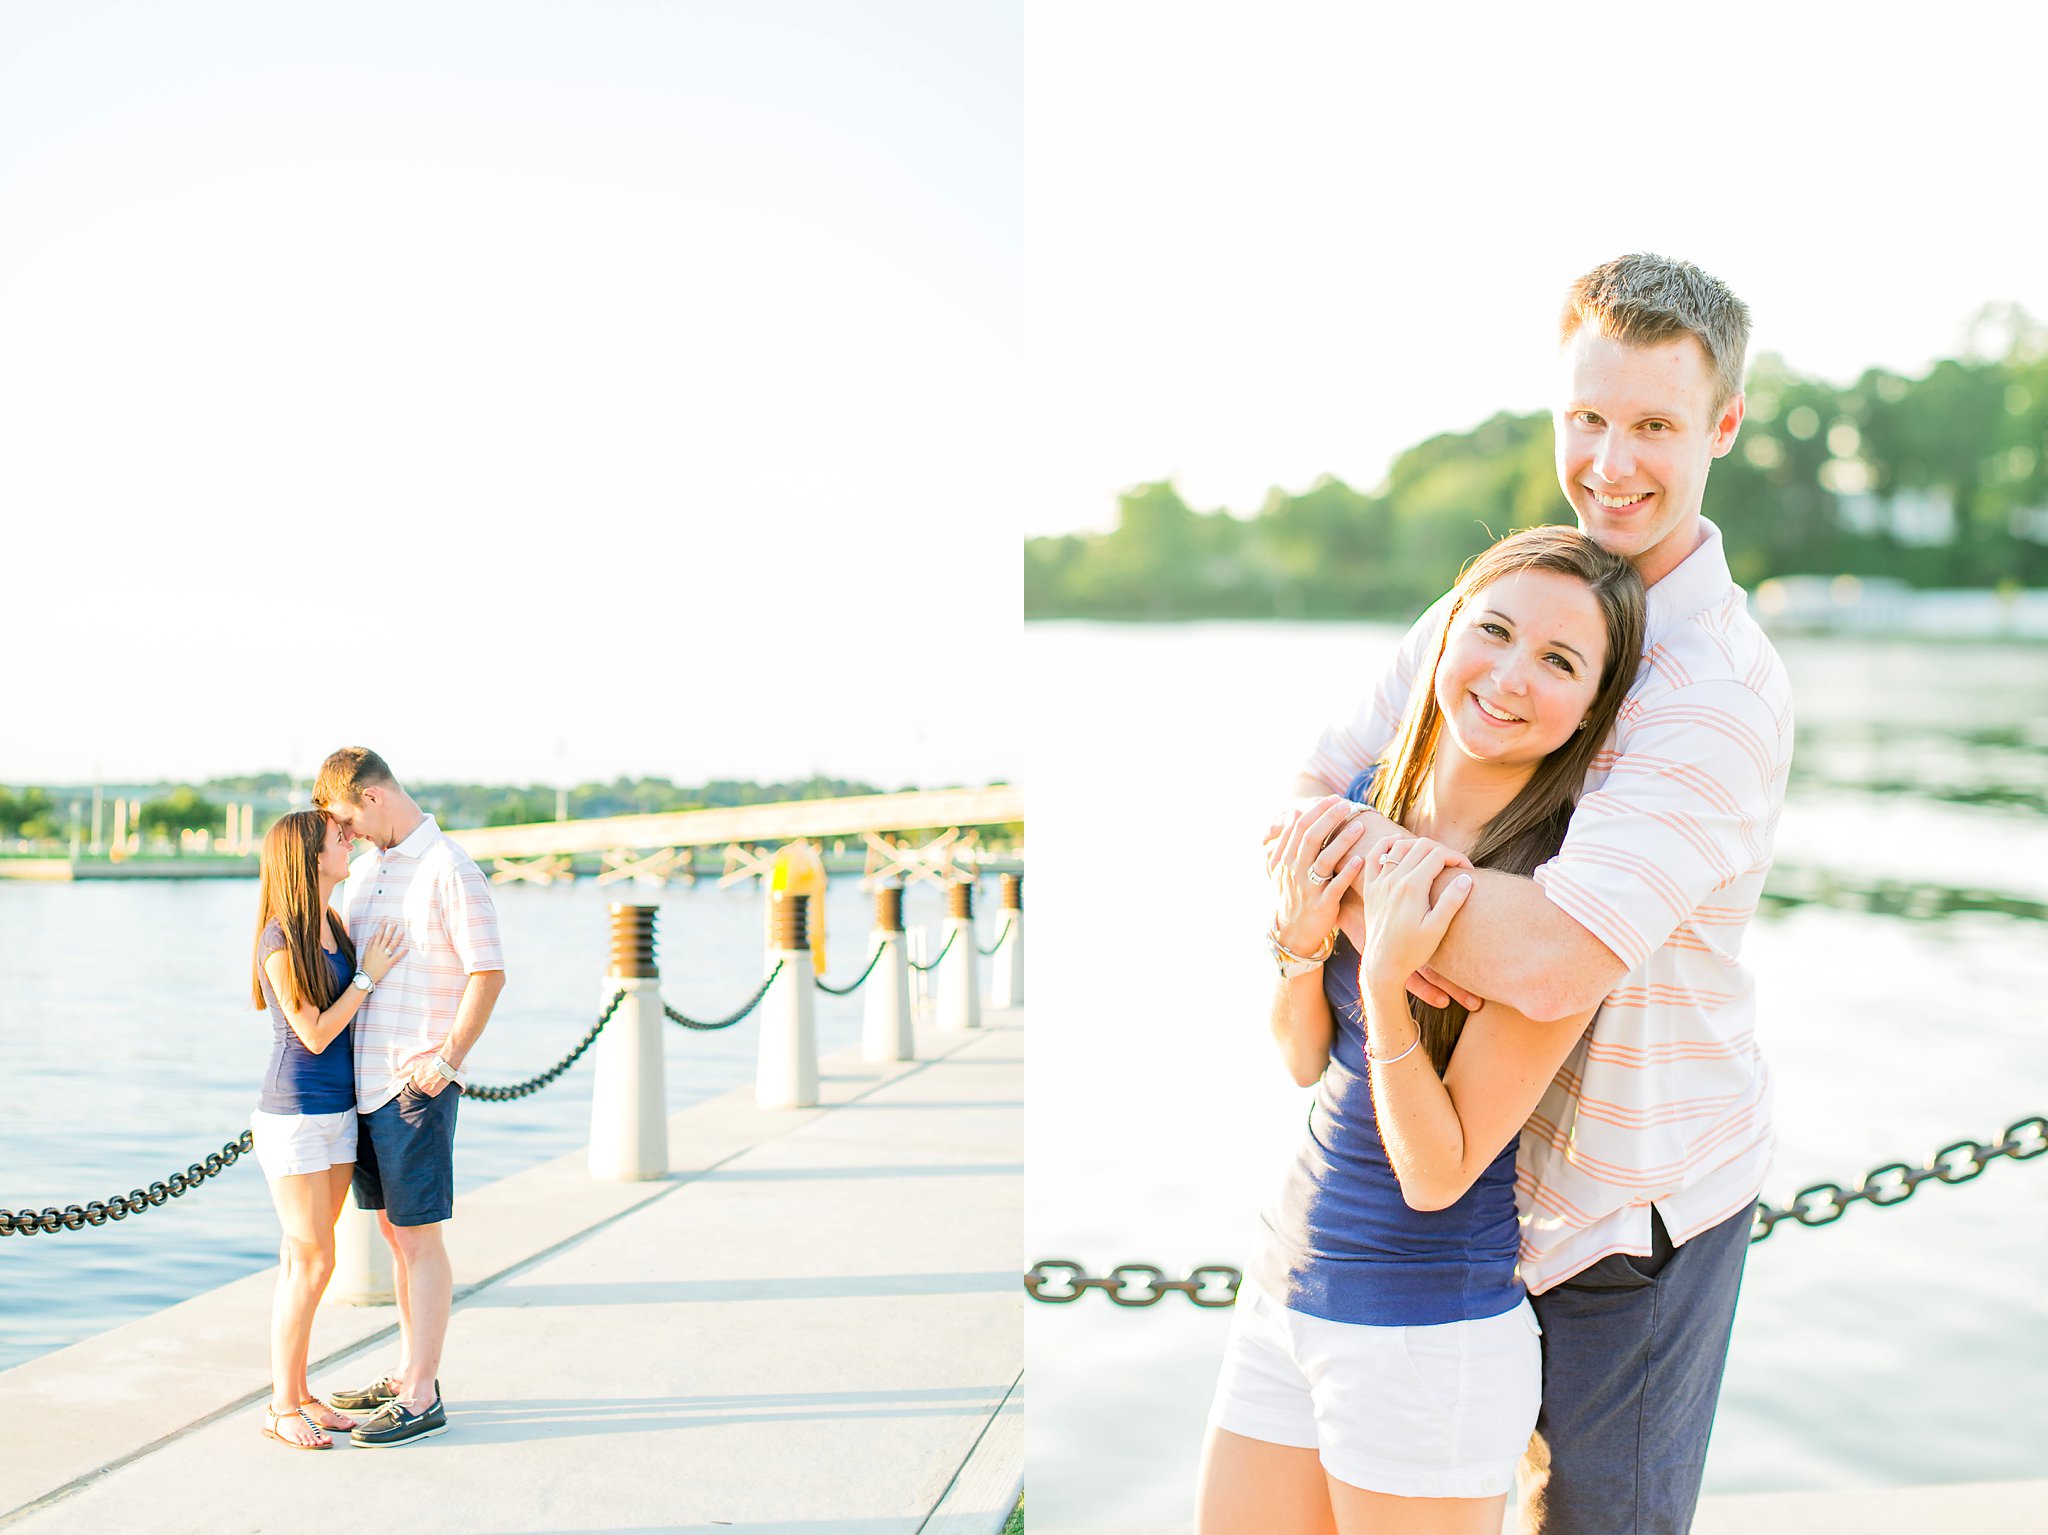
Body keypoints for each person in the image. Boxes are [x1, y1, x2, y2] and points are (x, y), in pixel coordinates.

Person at [1287, 254, 1795, 1533]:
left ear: (1719, 427)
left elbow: (1558, 962)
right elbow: (1303, 795)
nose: (1609, 460)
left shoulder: (1713, 692)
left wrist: (1370, 905)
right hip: (1448, 1192)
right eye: (1586, 416)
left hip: (1622, 1213)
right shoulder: (1508, 601)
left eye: (1653, 426)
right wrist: (1413, 918)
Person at [1197, 527, 1645, 1533]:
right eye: (1491, 630)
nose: (1509, 675)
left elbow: (1438, 1170)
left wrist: (1392, 978)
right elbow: (1303, 1056)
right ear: (1443, 633)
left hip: (1421, 1336)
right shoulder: (1361, 804)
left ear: (1589, 710)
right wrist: (1304, 945)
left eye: (1559, 660)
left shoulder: (1555, 905)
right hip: (1281, 1294)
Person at [311, 747, 506, 1448]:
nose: (347, 834)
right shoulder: (366, 873)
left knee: (419, 1239)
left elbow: (488, 972)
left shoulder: (450, 868)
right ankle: (405, 1372)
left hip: (414, 1084)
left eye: (345, 820)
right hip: (365, 1086)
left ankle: (423, 1394)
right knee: (396, 1237)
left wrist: (448, 1059)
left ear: (371, 799)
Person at [248, 810, 408, 1449]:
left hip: (339, 1113)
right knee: (312, 1263)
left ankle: (301, 1394)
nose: (350, 842)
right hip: (296, 1116)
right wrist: (369, 976)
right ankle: (282, 1407)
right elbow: (313, 1033)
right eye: (340, 838)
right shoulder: (278, 938)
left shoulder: (333, 924)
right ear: (312, 857)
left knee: (310, 1258)